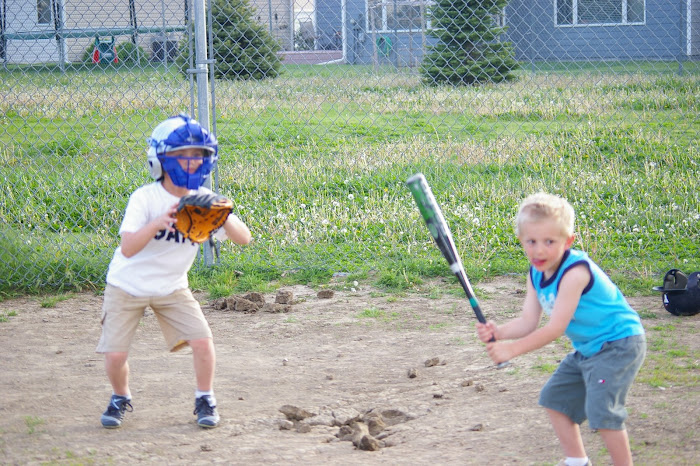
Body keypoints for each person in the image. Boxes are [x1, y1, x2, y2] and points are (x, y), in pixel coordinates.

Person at [96, 114, 251, 429]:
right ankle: (120, 396)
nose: (192, 162)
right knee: (114, 355)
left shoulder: (202, 200)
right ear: (160, 159)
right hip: (126, 285)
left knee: (203, 342)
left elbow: (244, 239)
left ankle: (205, 397)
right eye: (183, 155)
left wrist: (225, 214)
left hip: (172, 287)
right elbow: (127, 248)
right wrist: (158, 223)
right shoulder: (146, 198)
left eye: (199, 155)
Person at [476, 192, 645, 466]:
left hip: (619, 344)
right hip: (589, 349)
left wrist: (511, 350)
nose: (539, 250)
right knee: (555, 400)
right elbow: (528, 322)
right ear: (521, 240)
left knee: (603, 412)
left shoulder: (574, 273)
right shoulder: (535, 273)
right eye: (531, 241)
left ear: (568, 242)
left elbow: (555, 328)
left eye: (549, 242)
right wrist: (499, 333)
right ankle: (577, 462)